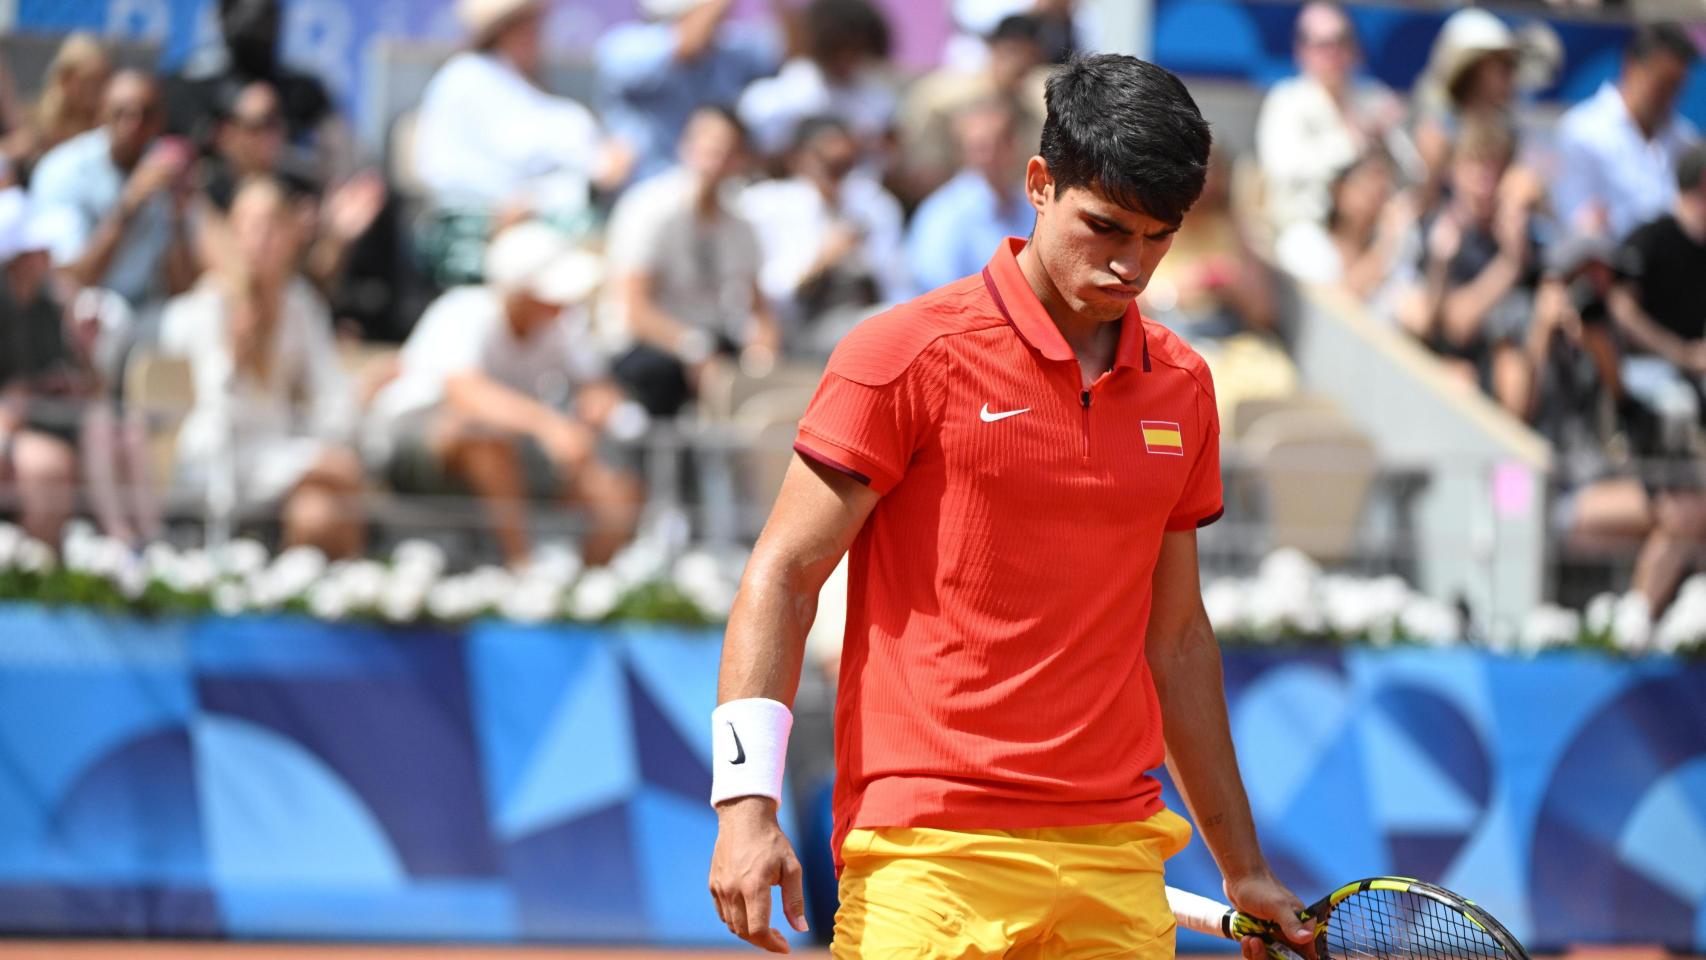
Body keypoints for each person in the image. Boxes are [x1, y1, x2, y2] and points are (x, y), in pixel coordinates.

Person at [707, 54, 1312, 959]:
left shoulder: (1184, 386)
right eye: (1105, 227)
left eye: (1158, 236)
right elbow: (784, 577)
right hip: (929, 852)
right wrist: (745, 805)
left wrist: (1243, 865)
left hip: (1117, 854)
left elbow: (1177, 636)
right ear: (1038, 183)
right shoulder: (903, 355)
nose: (1130, 264)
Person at [365, 223, 641, 567]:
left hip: (512, 446)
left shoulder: (561, 326)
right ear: (519, 293)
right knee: (483, 437)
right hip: (411, 442)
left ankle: (593, 589)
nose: (560, 306)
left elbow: (597, 384)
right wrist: (551, 427)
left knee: (613, 488)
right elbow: (466, 393)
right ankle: (522, 569)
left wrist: (599, 403)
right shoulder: (463, 310)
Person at [159, 176, 366, 559]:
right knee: (343, 471)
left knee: (320, 513)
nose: (262, 239)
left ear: (290, 236)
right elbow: (215, 405)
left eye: (272, 227)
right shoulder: (209, 305)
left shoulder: (301, 304)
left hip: (281, 450)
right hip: (221, 458)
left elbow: (329, 393)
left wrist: (334, 423)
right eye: (252, 227)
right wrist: (235, 355)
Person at [1523, 237, 1706, 622]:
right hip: (1547, 496)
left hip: (1608, 486)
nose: (1591, 292)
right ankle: (1633, 630)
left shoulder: (1608, 343)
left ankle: (1646, 625)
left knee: (1690, 517)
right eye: (1579, 279)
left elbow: (1626, 409)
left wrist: (1602, 343)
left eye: (1601, 279)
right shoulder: (1533, 336)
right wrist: (1543, 329)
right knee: (1688, 513)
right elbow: (1518, 408)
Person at [413, 0, 633, 284]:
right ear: (505, 30)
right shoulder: (467, 77)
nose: (537, 34)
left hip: (536, 219)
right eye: (527, 24)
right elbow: (509, 154)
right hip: (473, 226)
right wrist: (506, 208)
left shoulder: (522, 87)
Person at [605, 106, 778, 417]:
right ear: (687, 145)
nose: (716, 159)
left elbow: (759, 308)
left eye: (727, 150)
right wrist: (694, 348)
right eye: (710, 146)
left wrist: (763, 354)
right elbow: (634, 310)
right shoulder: (649, 208)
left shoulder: (740, 223)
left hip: (715, 343)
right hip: (649, 351)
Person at [1398, 116, 1541, 416]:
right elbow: (1456, 324)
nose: (1485, 182)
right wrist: (1509, 265)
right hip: (1453, 372)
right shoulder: (1437, 229)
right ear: (1455, 171)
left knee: (1513, 363)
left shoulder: (1525, 230)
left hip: (1524, 374)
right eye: (1476, 167)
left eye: (1496, 170)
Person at [30, 71, 199, 313]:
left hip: (144, 311)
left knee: (202, 309)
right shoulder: (63, 170)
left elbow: (182, 288)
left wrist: (178, 217)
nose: (133, 125)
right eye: (122, 113)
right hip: (82, 314)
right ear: (101, 115)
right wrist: (128, 206)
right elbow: (70, 280)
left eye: (145, 113)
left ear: (160, 120)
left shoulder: (165, 167)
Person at [740, 116, 906, 354]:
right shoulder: (767, 206)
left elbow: (896, 284)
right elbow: (766, 296)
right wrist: (820, 261)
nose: (838, 175)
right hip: (794, 330)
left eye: (846, 164)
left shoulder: (873, 204)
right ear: (797, 160)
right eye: (829, 164)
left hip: (861, 316)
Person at [1254, 1, 1410, 234]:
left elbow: (1411, 171)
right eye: (1322, 44)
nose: (1333, 53)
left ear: (1355, 47)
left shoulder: (1375, 98)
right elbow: (1282, 170)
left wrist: (1385, 141)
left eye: (1341, 41)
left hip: (1375, 227)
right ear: (1302, 50)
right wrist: (1354, 143)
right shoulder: (1285, 102)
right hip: (1305, 227)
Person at [596, 0, 782, 184]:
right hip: (643, 188)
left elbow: (792, 54)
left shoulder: (733, 48)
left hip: (710, 193)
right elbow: (686, 43)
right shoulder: (626, 46)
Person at [164, 0, 348, 181]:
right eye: (246, 10)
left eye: (268, 12)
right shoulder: (184, 89)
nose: (258, 23)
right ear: (221, 16)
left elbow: (338, 158)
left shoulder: (305, 92)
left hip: (288, 199)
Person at [1552, 22, 1699, 240]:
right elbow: (1577, 223)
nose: (1669, 96)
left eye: (1676, 87)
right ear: (1632, 67)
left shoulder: (1686, 140)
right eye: (1662, 84)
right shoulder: (1580, 131)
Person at [1606, 143, 1706, 433]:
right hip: (1642, 369)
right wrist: (1680, 353)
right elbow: (1620, 308)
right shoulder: (1650, 240)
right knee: (1677, 406)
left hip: (1691, 371)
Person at [895, 14, 1046, 205]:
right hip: (951, 205)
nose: (1018, 64)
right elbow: (922, 170)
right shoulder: (943, 99)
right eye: (1012, 52)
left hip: (1014, 206)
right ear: (993, 49)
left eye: (1028, 56)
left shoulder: (1034, 111)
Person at [0, 191, 80, 547]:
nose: (46, 259)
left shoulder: (48, 306)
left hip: (37, 423)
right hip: (13, 429)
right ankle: (30, 583)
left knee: (112, 438)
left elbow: (64, 375)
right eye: (36, 251)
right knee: (48, 466)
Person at [905, 98, 1036, 295]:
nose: (991, 156)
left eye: (1000, 143)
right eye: (980, 147)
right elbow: (938, 290)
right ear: (963, 152)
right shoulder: (942, 213)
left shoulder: (1030, 205)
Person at [736, 0, 898, 160]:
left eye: (859, 49)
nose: (848, 58)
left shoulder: (878, 100)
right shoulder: (783, 94)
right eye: (841, 48)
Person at [1274, 147, 1419, 316]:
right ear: (1338, 189)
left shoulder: (1392, 271)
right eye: (1365, 181)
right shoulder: (1303, 241)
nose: (1372, 194)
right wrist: (1383, 250)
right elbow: (1334, 307)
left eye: (1383, 191)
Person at [31, 34, 113, 168]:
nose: (96, 89)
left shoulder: (111, 125)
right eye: (88, 81)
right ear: (65, 80)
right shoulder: (39, 126)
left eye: (102, 80)